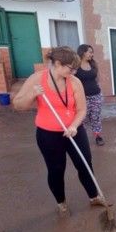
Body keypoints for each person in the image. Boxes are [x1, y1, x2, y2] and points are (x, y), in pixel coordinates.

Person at [13, 46, 104, 216]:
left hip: (73, 131)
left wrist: (74, 126)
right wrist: (32, 94)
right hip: (48, 135)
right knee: (56, 169)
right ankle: (61, 203)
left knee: (85, 163)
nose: (74, 72)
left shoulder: (75, 82)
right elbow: (18, 105)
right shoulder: (37, 79)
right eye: (71, 68)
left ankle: (94, 196)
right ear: (57, 64)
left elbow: (82, 110)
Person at [75, 44, 105, 146]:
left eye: (92, 52)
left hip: (96, 95)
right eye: (90, 52)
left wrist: (100, 93)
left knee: (95, 117)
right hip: (82, 97)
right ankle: (81, 138)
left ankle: (98, 136)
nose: (92, 54)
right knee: (82, 118)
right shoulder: (75, 66)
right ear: (83, 52)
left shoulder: (93, 64)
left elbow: (97, 79)